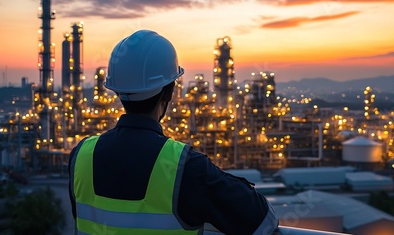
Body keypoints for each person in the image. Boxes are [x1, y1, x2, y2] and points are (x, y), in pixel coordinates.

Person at [68, 30, 279, 234]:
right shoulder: (185, 167)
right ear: (170, 91)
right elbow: (264, 221)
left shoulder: (81, 157)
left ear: (117, 91)